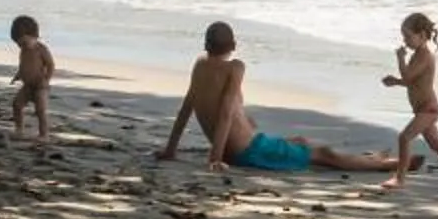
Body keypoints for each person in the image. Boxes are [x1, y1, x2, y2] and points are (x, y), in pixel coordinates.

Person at [157, 21, 403, 174]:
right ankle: (385, 165)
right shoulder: (235, 68)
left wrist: (171, 150)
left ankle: (370, 157)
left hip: (246, 145)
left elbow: (186, 109)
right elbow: (225, 114)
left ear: (206, 45)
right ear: (233, 45)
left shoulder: (199, 65)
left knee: (299, 140)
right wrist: (215, 159)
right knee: (324, 154)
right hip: (248, 151)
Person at [380, 11, 438, 194]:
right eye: (403, 37)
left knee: (404, 138)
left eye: (408, 37)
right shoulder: (417, 55)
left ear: (422, 35)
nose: (405, 41)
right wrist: (395, 82)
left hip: (428, 109)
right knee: (437, 145)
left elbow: (408, 76)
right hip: (422, 109)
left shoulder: (425, 56)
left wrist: (400, 59)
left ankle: (400, 179)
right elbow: (412, 81)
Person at [9, 14, 55, 142]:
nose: (21, 46)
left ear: (33, 36)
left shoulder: (41, 49)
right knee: (17, 105)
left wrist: (47, 79)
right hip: (28, 85)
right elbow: (23, 65)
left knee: (40, 110)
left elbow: (50, 65)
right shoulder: (23, 50)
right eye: (18, 44)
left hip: (40, 86)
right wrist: (18, 75)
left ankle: (44, 134)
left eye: (24, 42)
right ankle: (19, 129)